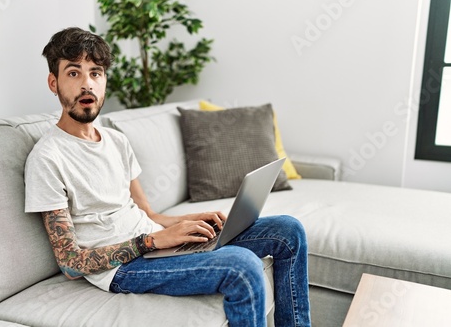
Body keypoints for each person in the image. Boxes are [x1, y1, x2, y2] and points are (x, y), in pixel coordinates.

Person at [24, 27, 311, 327]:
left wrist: (189, 221)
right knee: (243, 267)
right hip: (123, 268)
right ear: (53, 83)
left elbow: (147, 212)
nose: (87, 85)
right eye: (74, 73)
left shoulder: (115, 140)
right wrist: (151, 241)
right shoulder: (47, 158)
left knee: (288, 231)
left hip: (155, 245)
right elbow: (70, 263)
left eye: (95, 73)